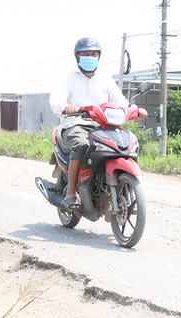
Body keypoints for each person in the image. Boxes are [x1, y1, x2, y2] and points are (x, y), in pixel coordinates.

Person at [49, 37, 148, 207]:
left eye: (93, 54)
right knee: (81, 145)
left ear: (99, 56)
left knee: (125, 144)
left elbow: (120, 101)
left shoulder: (105, 79)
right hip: (75, 125)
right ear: (77, 57)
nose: (90, 57)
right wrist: (66, 107)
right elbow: (56, 100)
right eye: (85, 54)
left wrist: (135, 109)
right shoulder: (69, 78)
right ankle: (71, 192)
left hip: (101, 126)